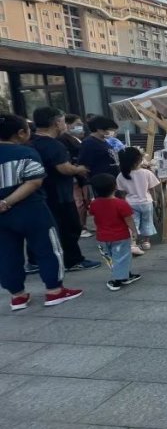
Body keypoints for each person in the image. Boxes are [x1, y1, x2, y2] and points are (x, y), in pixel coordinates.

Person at [0, 114, 83, 310]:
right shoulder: (26, 152)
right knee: (48, 248)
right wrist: (7, 202)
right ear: (21, 133)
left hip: (2, 217)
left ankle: (17, 296)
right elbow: (34, 181)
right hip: (32, 209)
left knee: (6, 254)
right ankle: (54, 290)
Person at [29, 107, 100, 272]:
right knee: (69, 227)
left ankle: (34, 261)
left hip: (38, 194)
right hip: (59, 194)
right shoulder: (54, 145)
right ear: (56, 123)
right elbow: (64, 168)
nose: (65, 125)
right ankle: (72, 260)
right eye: (63, 121)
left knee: (40, 228)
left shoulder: (30, 141)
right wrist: (79, 169)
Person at [88, 173, 141, 292]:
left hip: (102, 236)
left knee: (111, 258)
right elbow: (128, 219)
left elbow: (91, 214)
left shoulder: (94, 203)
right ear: (115, 187)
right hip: (120, 236)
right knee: (122, 257)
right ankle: (118, 280)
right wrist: (134, 231)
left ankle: (125, 275)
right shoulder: (121, 203)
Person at [117, 146, 160, 254]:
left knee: (133, 223)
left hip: (130, 203)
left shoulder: (121, 175)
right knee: (147, 222)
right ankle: (146, 242)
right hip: (146, 202)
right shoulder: (147, 173)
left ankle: (133, 243)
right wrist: (155, 201)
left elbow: (122, 192)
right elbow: (152, 189)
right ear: (139, 160)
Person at [62, 113, 91, 237]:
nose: (81, 127)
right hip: (74, 175)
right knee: (79, 202)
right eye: (78, 124)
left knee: (84, 200)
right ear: (68, 125)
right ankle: (80, 227)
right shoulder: (64, 140)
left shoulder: (78, 139)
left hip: (81, 175)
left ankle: (83, 225)